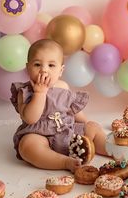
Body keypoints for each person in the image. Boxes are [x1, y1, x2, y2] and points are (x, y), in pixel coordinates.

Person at [10, 39, 107, 172]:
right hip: (40, 136)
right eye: (37, 64)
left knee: (93, 127)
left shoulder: (63, 87)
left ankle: (113, 150)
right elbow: (30, 118)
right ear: (28, 68)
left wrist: (85, 125)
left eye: (51, 65)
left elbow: (72, 110)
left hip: (66, 131)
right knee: (27, 146)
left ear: (61, 70)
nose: (44, 70)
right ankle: (64, 162)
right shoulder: (24, 91)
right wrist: (40, 93)